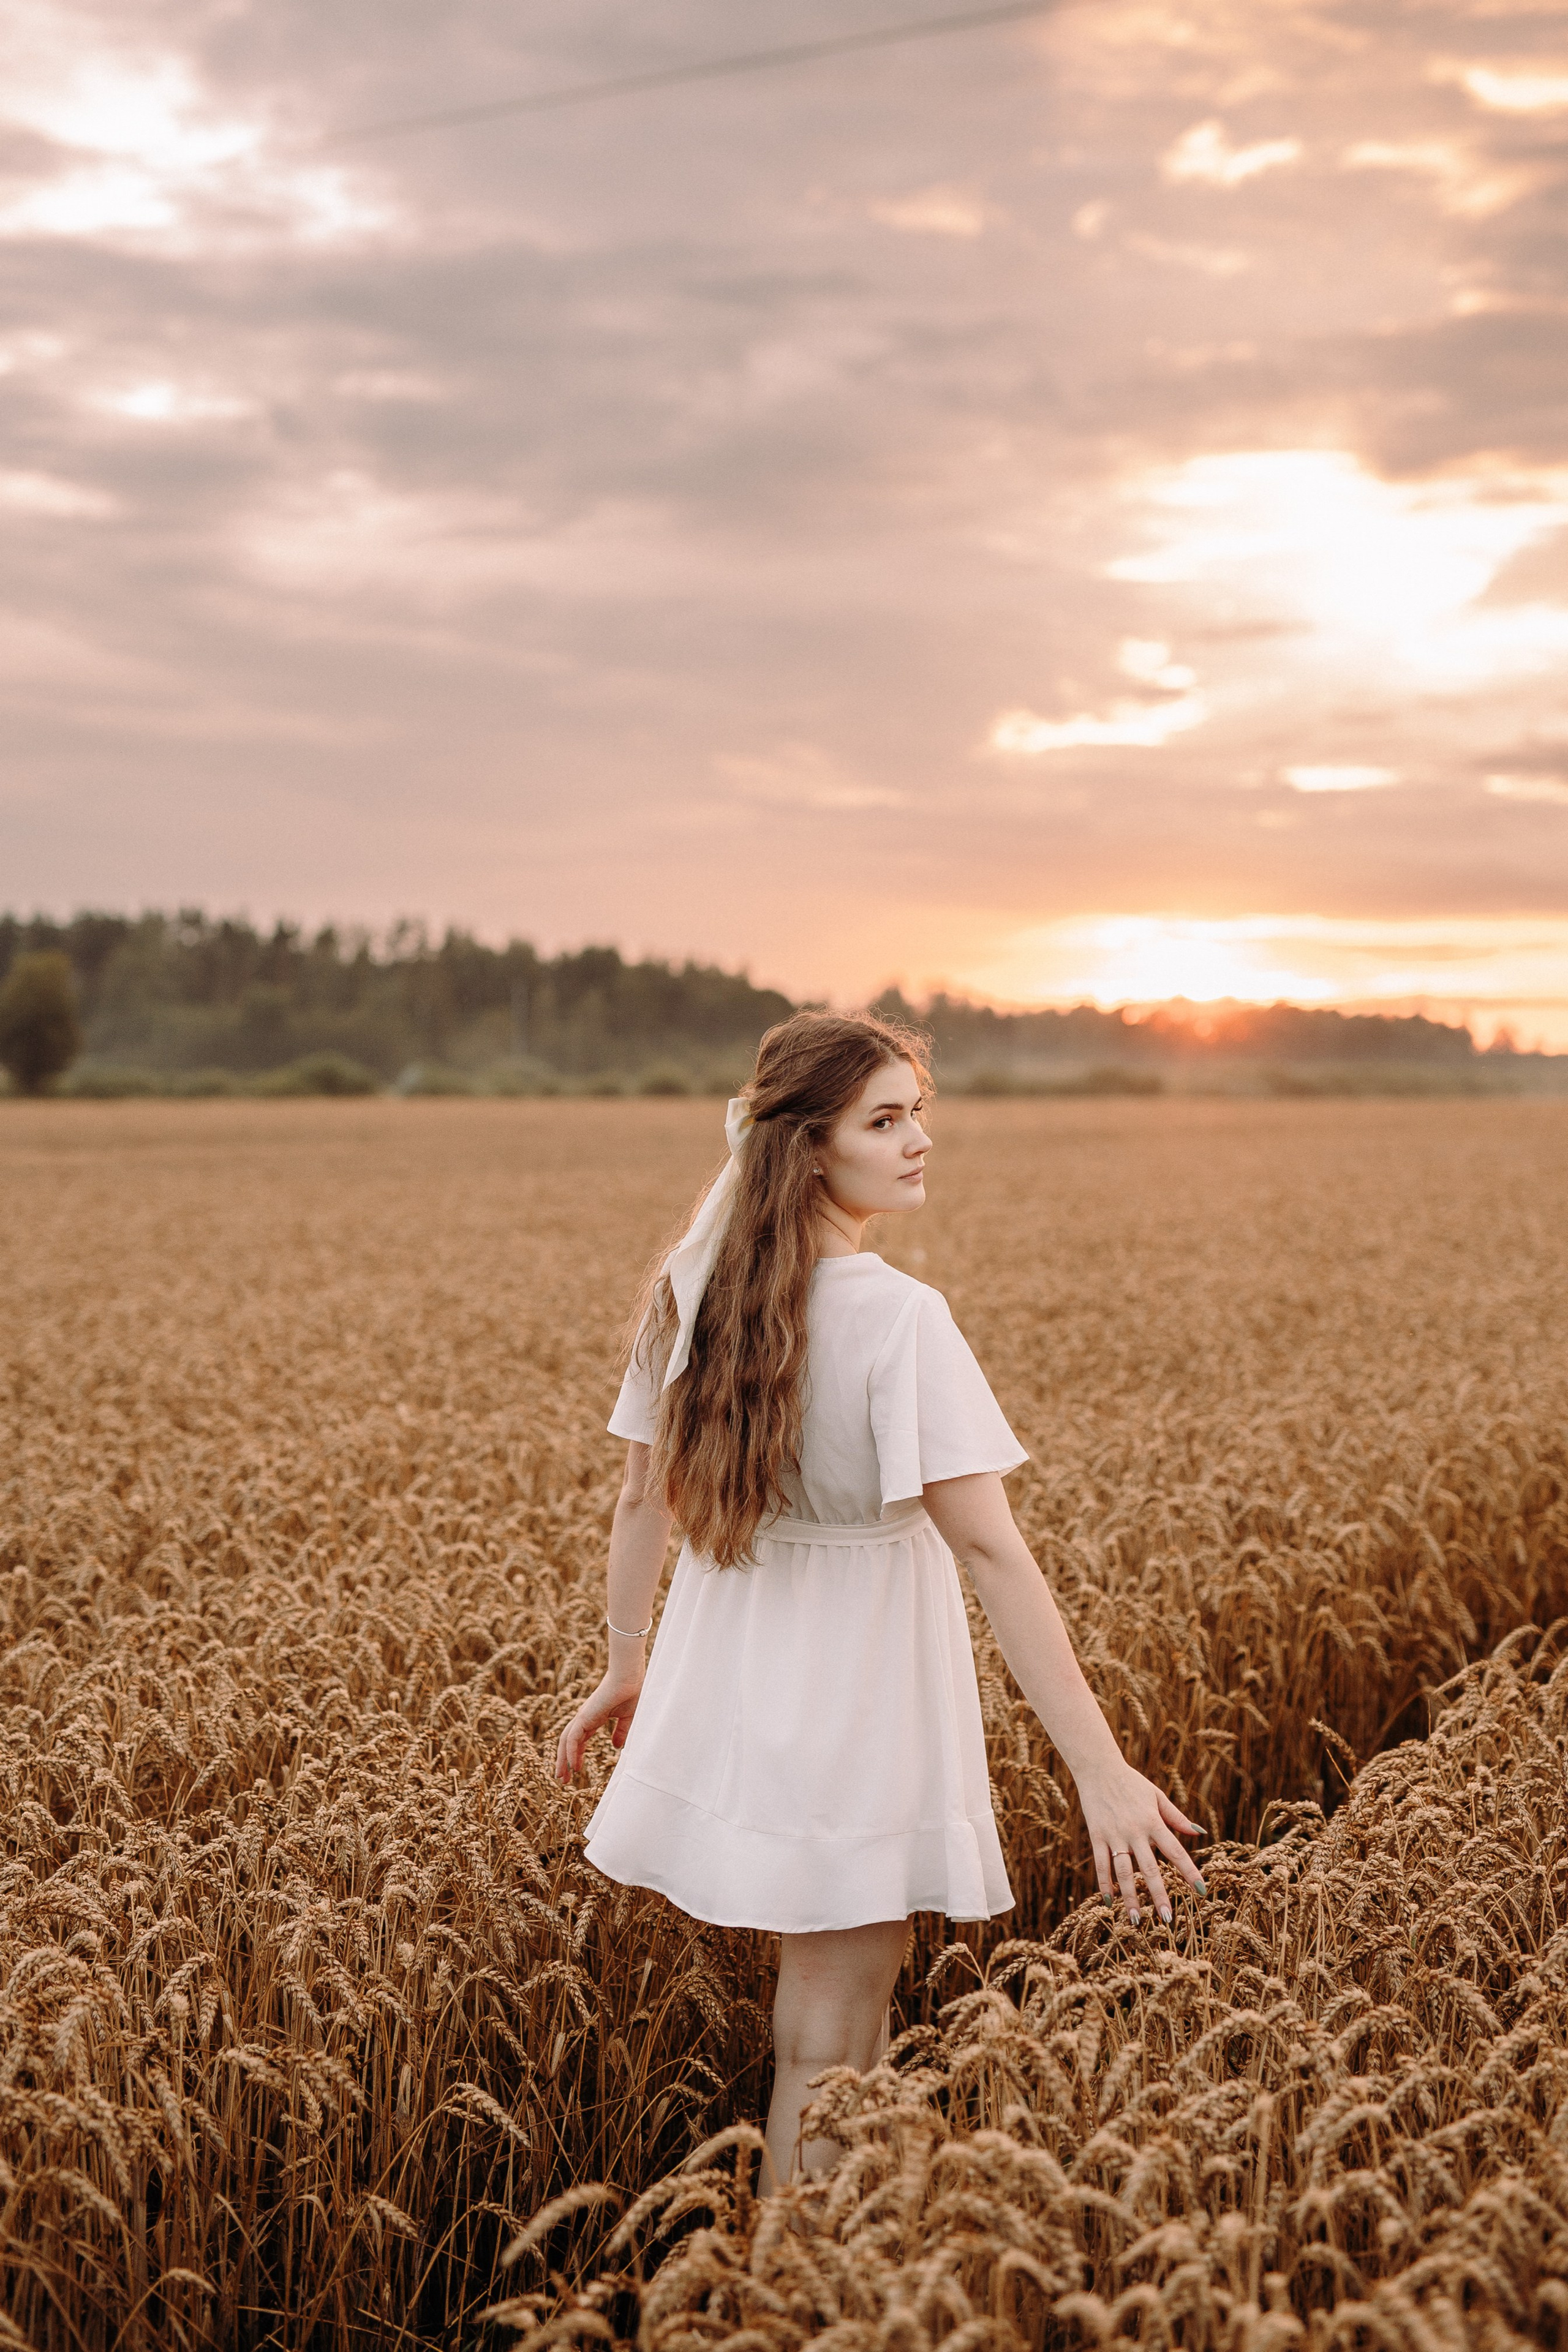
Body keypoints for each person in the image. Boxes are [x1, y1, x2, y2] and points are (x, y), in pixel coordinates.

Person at [556, 1009, 1202, 2189]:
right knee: (834, 2046)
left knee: (824, 2033)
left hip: (744, 1676)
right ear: (810, 1149)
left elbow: (640, 1498)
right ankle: (791, 2298)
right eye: (886, 1120)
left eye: (920, 1116)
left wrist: (626, 1661)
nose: (918, 1143)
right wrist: (1100, 1770)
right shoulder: (904, 1319)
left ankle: (800, 2280)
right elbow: (995, 1557)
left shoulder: (690, 1294)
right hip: (861, 1694)